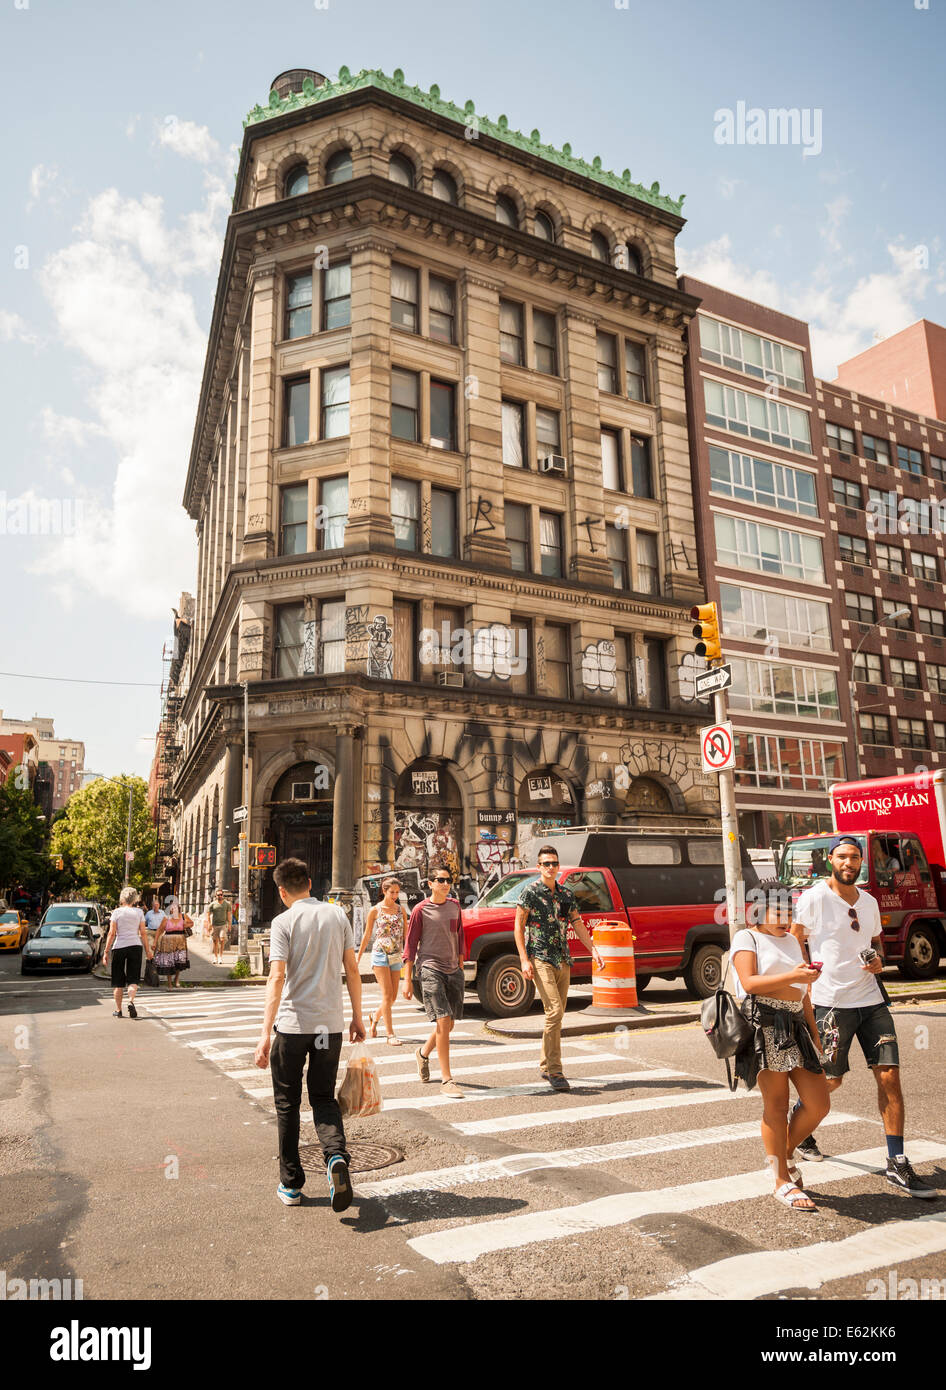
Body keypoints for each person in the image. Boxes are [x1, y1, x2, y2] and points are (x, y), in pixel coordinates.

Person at [791, 835, 937, 1198]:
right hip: (831, 1002)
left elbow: (875, 943)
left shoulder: (870, 902)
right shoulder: (814, 898)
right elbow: (795, 938)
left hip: (872, 1000)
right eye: (842, 857)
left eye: (854, 857)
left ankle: (897, 1161)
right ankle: (802, 1121)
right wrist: (803, 979)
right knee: (831, 1081)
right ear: (830, 860)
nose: (848, 863)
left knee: (889, 1077)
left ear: (861, 863)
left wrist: (876, 960)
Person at [254, 857, 365, 1211]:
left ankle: (291, 1184)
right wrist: (357, 1018)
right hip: (326, 1027)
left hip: (292, 1027)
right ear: (311, 883)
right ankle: (335, 1157)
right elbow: (352, 969)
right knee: (323, 1098)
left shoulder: (283, 922)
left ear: (283, 891)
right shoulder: (337, 915)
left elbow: (276, 977)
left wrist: (264, 1034)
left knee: (287, 1105)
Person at [731, 889, 829, 1211]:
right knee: (776, 1104)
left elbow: (804, 994)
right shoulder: (747, 938)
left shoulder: (792, 940)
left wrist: (816, 1035)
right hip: (766, 1023)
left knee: (818, 1103)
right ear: (758, 912)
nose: (785, 919)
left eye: (789, 912)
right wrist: (794, 974)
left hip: (796, 1024)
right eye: (778, 912)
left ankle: (784, 1153)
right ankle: (780, 1181)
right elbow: (749, 984)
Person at [513, 847, 604, 1091]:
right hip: (540, 958)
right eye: (546, 863)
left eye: (554, 863)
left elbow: (577, 922)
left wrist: (593, 949)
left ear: (558, 865)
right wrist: (524, 960)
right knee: (554, 1012)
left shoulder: (566, 893)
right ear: (539, 866)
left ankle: (545, 1063)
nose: (550, 867)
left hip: (563, 959)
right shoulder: (530, 892)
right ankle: (555, 1070)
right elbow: (518, 928)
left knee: (557, 1014)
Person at [402, 867, 466, 1097]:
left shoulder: (455, 906)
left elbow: (459, 935)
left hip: (452, 970)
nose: (445, 883)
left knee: (448, 1025)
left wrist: (459, 964)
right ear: (430, 884)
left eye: (448, 880)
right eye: (440, 880)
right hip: (429, 969)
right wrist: (407, 979)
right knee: (443, 1020)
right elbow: (410, 945)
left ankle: (422, 1054)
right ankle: (447, 1080)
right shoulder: (420, 910)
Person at [356, 875, 408, 1045]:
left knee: (392, 998)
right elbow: (367, 935)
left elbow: (405, 935)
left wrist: (409, 955)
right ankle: (390, 1034)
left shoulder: (401, 910)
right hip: (379, 955)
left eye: (397, 892)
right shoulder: (375, 910)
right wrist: (358, 958)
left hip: (396, 955)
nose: (394, 895)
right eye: (392, 892)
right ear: (384, 891)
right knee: (387, 995)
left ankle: (374, 1017)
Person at [102, 887, 153, 1019]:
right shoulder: (139, 912)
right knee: (133, 978)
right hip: (135, 946)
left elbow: (111, 933)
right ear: (135, 899)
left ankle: (119, 1010)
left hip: (119, 947)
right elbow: (143, 933)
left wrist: (106, 951)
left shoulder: (116, 912)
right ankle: (130, 1001)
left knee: (118, 981)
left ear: (122, 898)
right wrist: (148, 951)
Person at [152, 897, 192, 989]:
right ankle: (169, 984)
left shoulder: (183, 916)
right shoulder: (166, 918)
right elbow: (159, 930)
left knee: (179, 962)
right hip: (167, 943)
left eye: (175, 907)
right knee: (169, 964)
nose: (173, 909)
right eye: (172, 907)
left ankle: (176, 980)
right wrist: (154, 943)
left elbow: (191, 923)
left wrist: (186, 925)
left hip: (180, 942)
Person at [206, 889, 231, 965]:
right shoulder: (212, 904)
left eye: (221, 895)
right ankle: (215, 957)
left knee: (222, 939)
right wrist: (209, 924)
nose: (220, 896)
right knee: (215, 941)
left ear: (223, 895)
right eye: (218, 895)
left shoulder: (227, 904)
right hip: (214, 925)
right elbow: (208, 914)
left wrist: (229, 924)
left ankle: (220, 956)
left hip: (223, 924)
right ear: (216, 896)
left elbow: (229, 915)